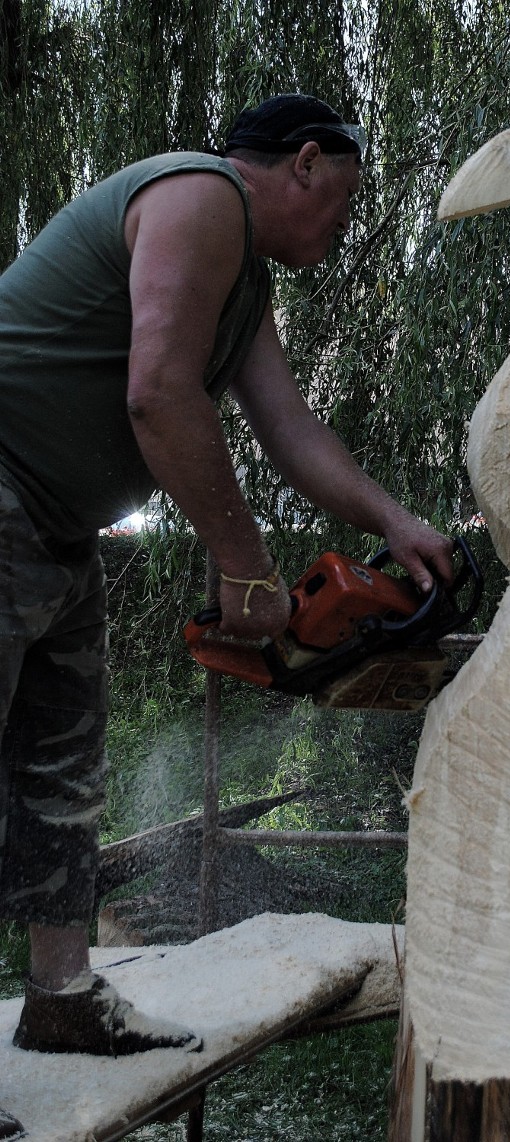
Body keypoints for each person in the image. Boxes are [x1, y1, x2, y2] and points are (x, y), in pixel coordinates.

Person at [0, 92, 453, 1137]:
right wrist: (243, 563)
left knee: (61, 769)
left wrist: (395, 518)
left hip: (54, 526)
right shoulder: (199, 195)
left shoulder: (244, 281)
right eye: (342, 199)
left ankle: (64, 1000)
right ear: (303, 163)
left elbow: (290, 428)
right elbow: (158, 389)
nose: (344, 225)